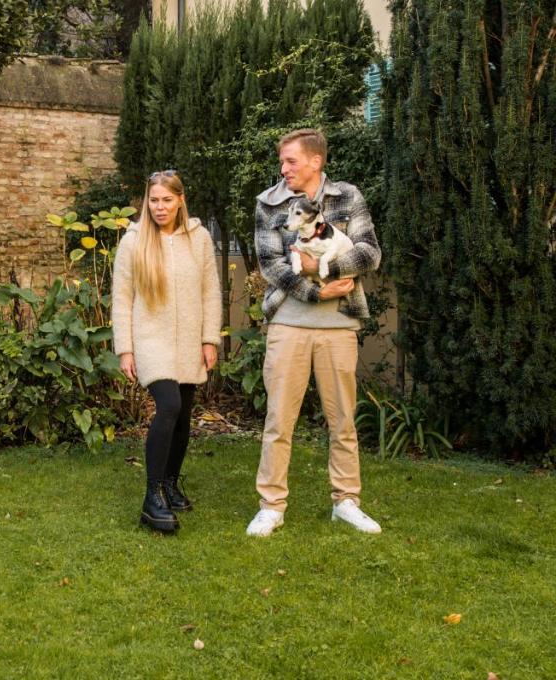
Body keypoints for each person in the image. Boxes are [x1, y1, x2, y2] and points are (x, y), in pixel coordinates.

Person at [245, 128, 382, 537]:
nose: (283, 168)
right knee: (278, 420)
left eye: (290, 160)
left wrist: (333, 269)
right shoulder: (269, 204)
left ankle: (346, 502)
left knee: (342, 420)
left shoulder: (347, 197)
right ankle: (271, 506)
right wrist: (318, 289)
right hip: (288, 322)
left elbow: (369, 252)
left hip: (340, 325)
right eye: (282, 161)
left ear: (315, 161)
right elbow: (271, 264)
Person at [111, 170, 222, 533]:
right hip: (150, 339)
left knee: (184, 414)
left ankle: (171, 484)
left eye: (166, 200)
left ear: (180, 200)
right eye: (154, 200)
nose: (159, 207)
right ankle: (152, 496)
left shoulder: (200, 238)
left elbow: (210, 290)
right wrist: (125, 348)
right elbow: (122, 297)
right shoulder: (133, 241)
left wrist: (209, 339)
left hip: (190, 339)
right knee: (169, 406)